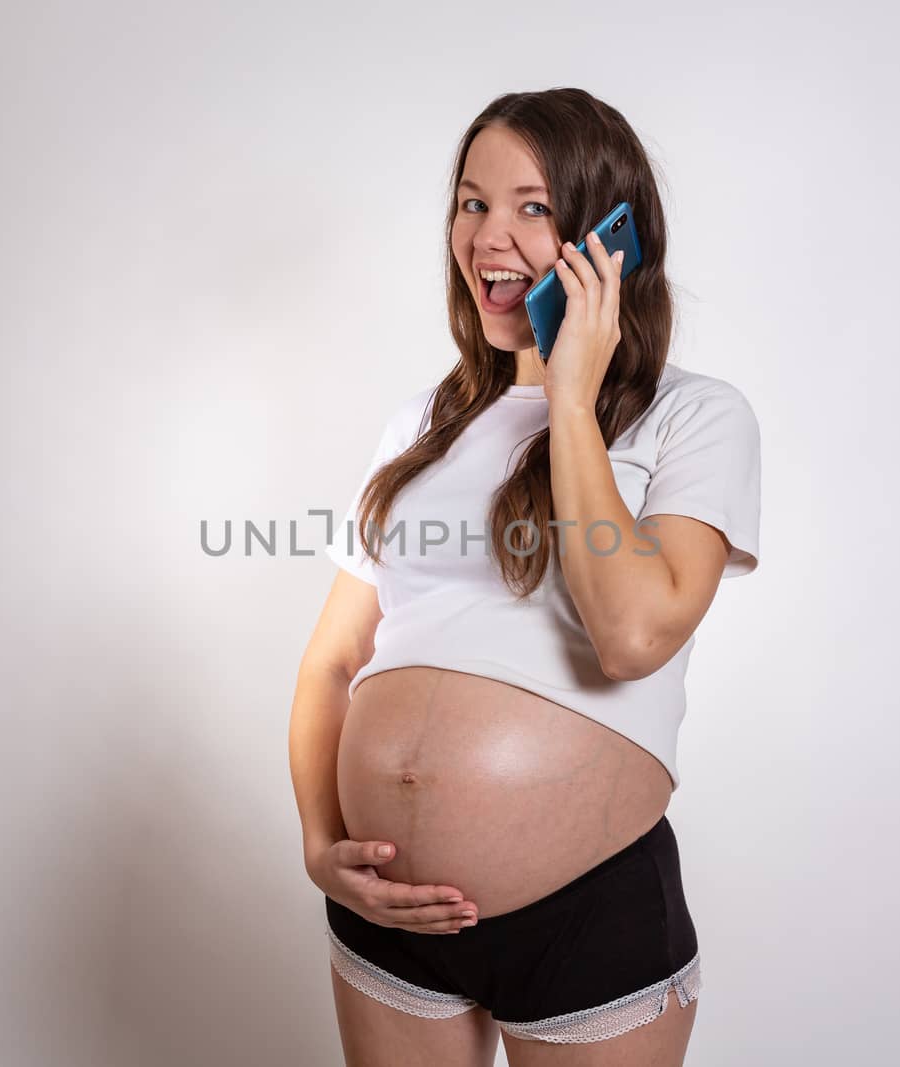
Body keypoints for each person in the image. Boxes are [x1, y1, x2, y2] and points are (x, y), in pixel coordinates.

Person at [288, 88, 762, 1067]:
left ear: (610, 237)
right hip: (387, 925)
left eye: (532, 206)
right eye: (470, 203)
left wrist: (573, 398)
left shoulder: (693, 417)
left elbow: (634, 632)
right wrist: (317, 841)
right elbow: (333, 659)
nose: (489, 234)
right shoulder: (425, 423)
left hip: (586, 920)